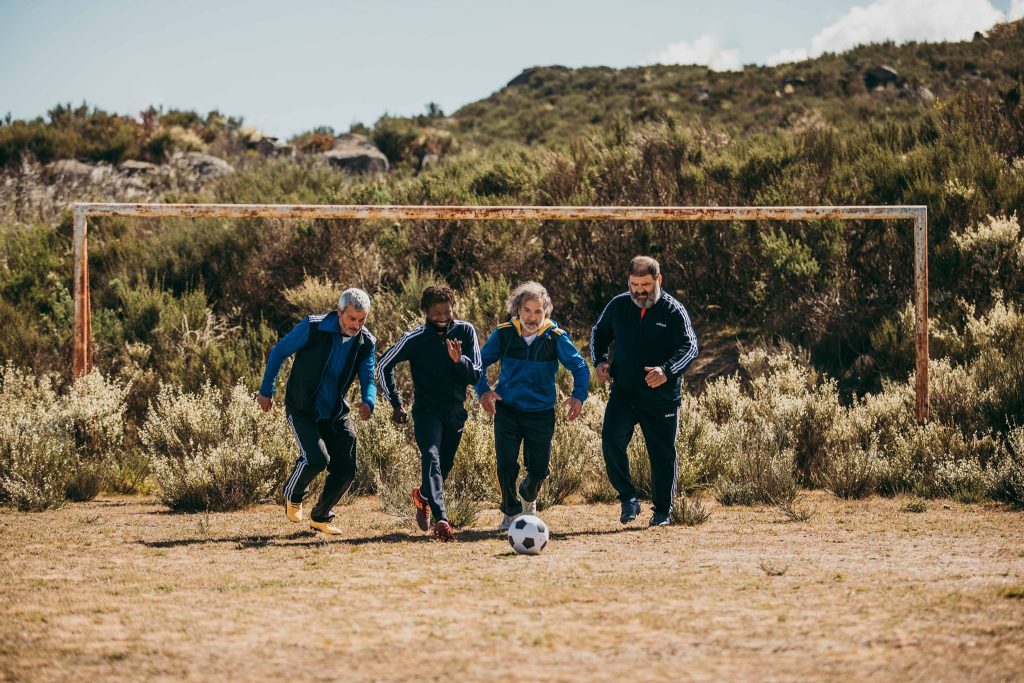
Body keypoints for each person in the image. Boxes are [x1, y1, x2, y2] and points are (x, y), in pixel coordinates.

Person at [257, 288, 377, 535]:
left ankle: (321, 516)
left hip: (335, 412)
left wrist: (368, 401)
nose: (356, 325)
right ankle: (293, 494)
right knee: (316, 459)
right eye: (351, 319)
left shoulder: (366, 342)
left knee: (346, 469)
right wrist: (266, 390)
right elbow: (279, 351)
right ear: (339, 312)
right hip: (303, 408)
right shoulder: (314, 327)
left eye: (362, 319)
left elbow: (368, 375)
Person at [590, 256, 698, 527]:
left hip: (661, 399)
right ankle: (628, 498)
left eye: (646, 285)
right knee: (611, 442)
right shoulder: (618, 305)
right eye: (634, 285)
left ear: (658, 281)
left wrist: (666, 371)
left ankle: (663, 512)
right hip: (624, 393)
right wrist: (600, 361)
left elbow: (690, 347)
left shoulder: (673, 311)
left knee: (662, 455)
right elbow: (598, 333)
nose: (639, 291)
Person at [475, 281, 590, 530]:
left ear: (545, 312)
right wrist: (483, 391)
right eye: (527, 310)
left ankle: (529, 496)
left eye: (538, 311)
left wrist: (578, 396)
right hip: (507, 409)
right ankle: (510, 512)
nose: (532, 317)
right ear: (518, 310)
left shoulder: (554, 337)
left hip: (541, 412)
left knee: (538, 469)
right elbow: (479, 363)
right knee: (506, 463)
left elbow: (580, 367)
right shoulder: (504, 333)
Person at [376, 286, 482, 542]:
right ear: (425, 312)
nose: (443, 317)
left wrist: (460, 361)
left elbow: (476, 373)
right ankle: (441, 519)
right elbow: (383, 365)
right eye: (436, 313)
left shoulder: (465, 331)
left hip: (455, 411)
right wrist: (396, 403)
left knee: (445, 464)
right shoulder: (415, 338)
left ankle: (422, 495)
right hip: (426, 411)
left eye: (447, 311)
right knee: (431, 458)